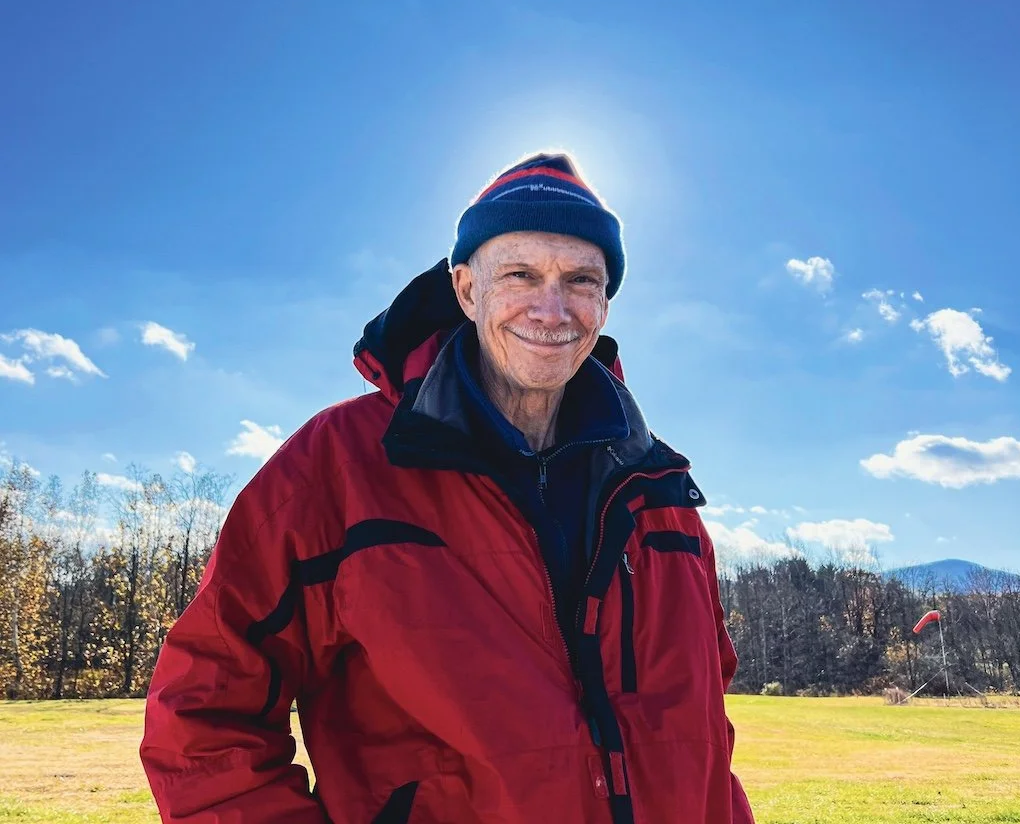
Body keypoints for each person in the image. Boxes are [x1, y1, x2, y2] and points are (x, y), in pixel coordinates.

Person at [140, 153, 754, 824]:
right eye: (521, 274)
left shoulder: (659, 491)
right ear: (466, 289)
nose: (552, 309)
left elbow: (703, 736)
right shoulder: (339, 466)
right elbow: (204, 710)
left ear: (606, 302)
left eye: (581, 279)